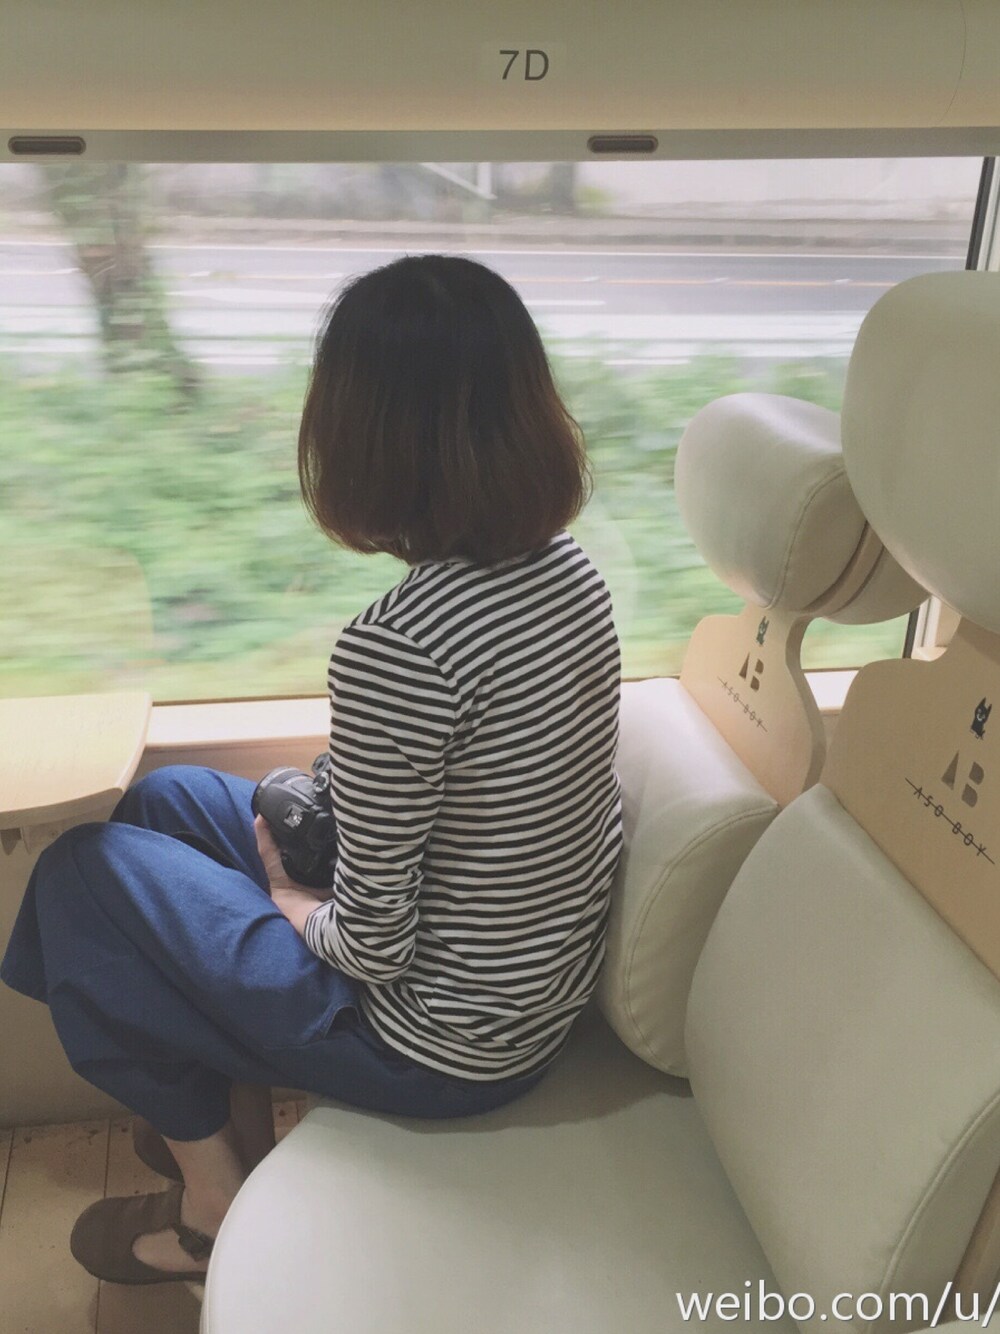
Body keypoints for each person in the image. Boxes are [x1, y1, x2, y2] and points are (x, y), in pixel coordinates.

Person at [0, 254, 623, 1285]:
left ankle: (212, 1207)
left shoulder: (400, 644)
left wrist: (293, 899)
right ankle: (227, 1122)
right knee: (165, 801)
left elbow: (373, 943)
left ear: (365, 439)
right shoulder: (570, 572)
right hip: (523, 999)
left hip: (431, 1043)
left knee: (80, 879)